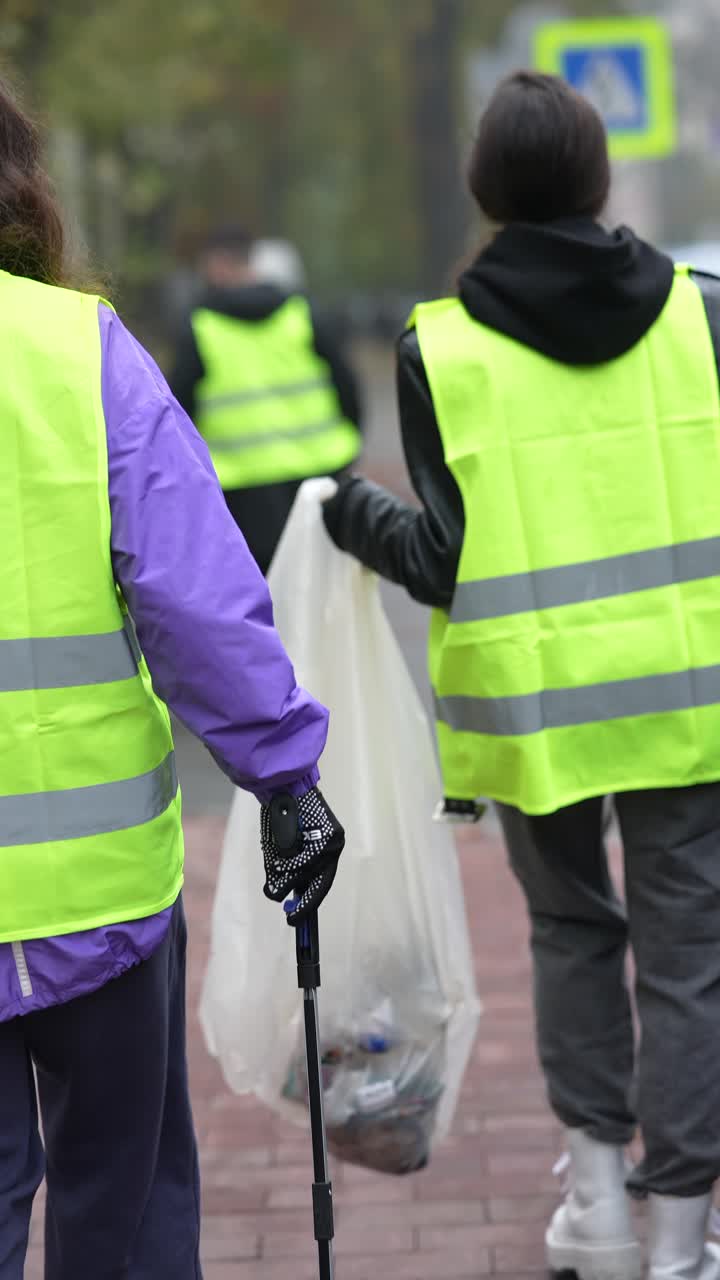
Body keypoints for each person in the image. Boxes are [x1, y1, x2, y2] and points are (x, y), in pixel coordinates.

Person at [323, 70, 720, 1280]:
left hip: (533, 705)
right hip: (687, 692)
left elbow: (446, 558)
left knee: (571, 933)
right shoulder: (700, 312)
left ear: (485, 193)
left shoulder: (440, 345)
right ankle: (682, 1238)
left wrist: (355, 518)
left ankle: (597, 1203)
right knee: (691, 953)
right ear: (600, 179)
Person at [0, 78, 344, 1280]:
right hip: (103, 891)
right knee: (126, 1193)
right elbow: (194, 596)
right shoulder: (75, 351)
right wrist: (284, 772)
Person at [170, 225, 362, 574]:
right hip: (317, 477)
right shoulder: (302, 313)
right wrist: (348, 447)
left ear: (217, 265)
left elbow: (177, 411)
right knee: (316, 594)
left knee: (260, 602)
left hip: (240, 493)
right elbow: (347, 386)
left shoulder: (201, 327)